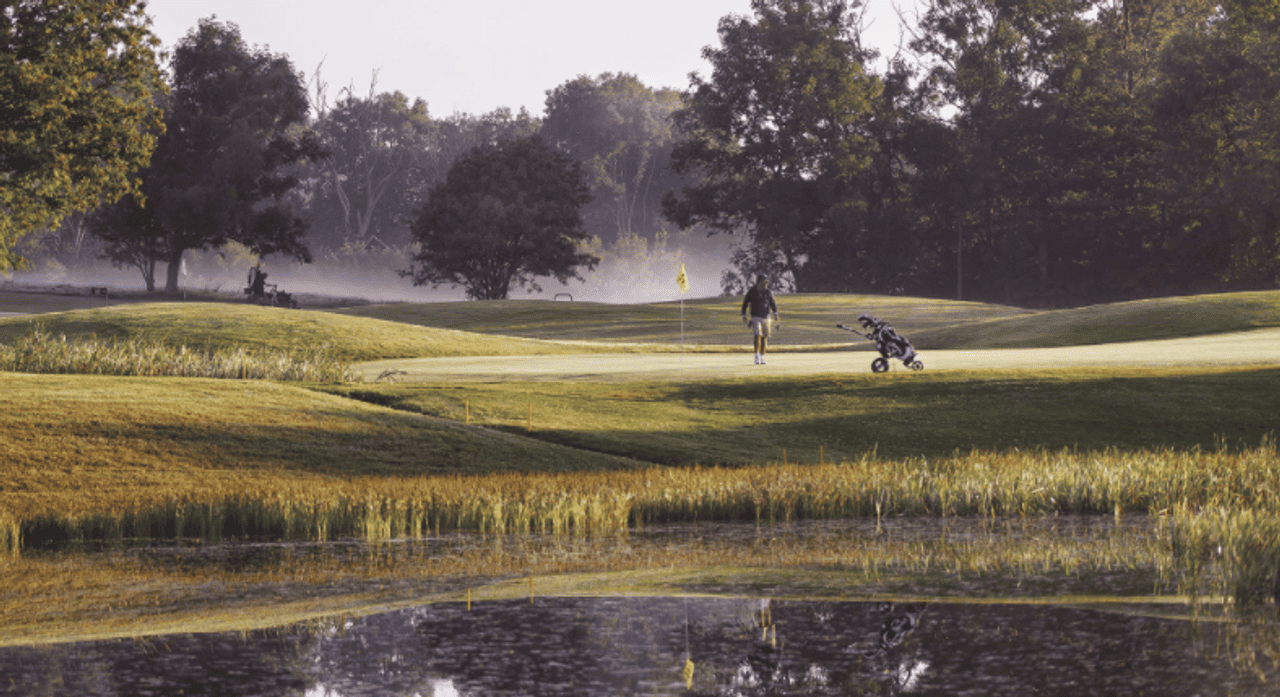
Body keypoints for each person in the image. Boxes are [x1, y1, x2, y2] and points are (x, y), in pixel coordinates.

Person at [741, 275, 780, 365]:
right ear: (760, 281)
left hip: (766, 317)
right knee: (757, 335)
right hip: (755, 317)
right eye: (765, 281)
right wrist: (743, 315)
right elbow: (745, 303)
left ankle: (762, 357)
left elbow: (772, 303)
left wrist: (776, 314)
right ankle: (756, 356)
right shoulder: (752, 291)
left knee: (765, 337)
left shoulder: (768, 292)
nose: (767, 283)